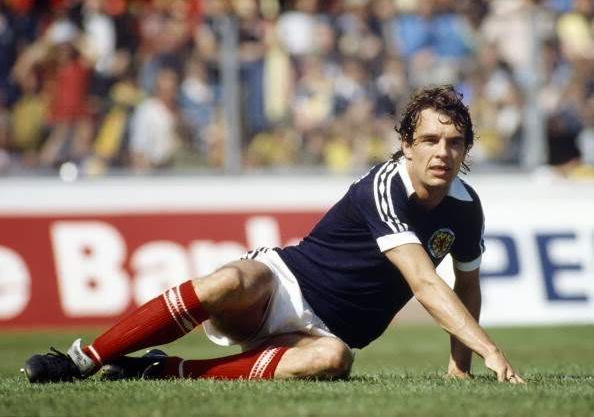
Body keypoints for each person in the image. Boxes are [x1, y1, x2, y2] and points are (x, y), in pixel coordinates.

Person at [22, 85, 525, 384]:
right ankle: (82, 360)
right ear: (406, 145)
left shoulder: (466, 209)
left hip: (329, 336)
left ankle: (163, 371)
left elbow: (468, 286)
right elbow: (424, 282)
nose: (442, 152)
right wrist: (490, 350)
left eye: (454, 142)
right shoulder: (385, 185)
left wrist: (460, 366)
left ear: (467, 149)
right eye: (430, 140)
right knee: (228, 282)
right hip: (284, 284)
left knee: (334, 360)